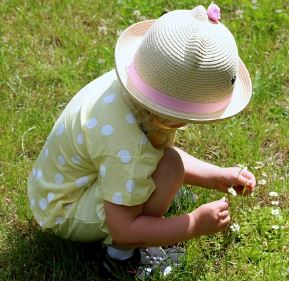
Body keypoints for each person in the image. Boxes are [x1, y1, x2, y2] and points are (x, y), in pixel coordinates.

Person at [27, 3, 256, 278]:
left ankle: (148, 193)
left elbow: (154, 152)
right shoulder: (129, 147)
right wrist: (194, 223)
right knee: (169, 169)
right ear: (174, 116)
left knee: (167, 166)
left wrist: (218, 176)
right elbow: (124, 229)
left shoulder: (135, 93)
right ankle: (120, 258)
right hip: (65, 212)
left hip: (54, 189)